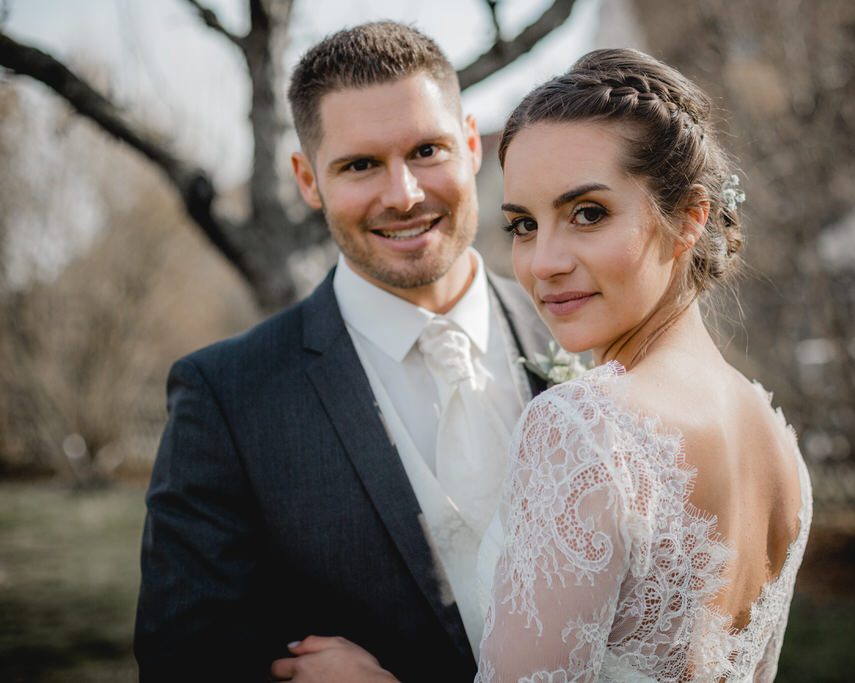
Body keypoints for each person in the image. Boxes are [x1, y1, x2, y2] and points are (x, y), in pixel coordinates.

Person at [285, 47, 814, 681]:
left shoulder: (585, 425)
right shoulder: (774, 435)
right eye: (525, 225)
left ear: (689, 219)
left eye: (587, 214)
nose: (543, 263)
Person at [133, 21, 550, 682]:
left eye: (427, 149)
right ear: (307, 179)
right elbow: (184, 658)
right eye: (360, 165)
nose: (403, 193)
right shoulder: (227, 396)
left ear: (471, 144)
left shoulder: (581, 337)